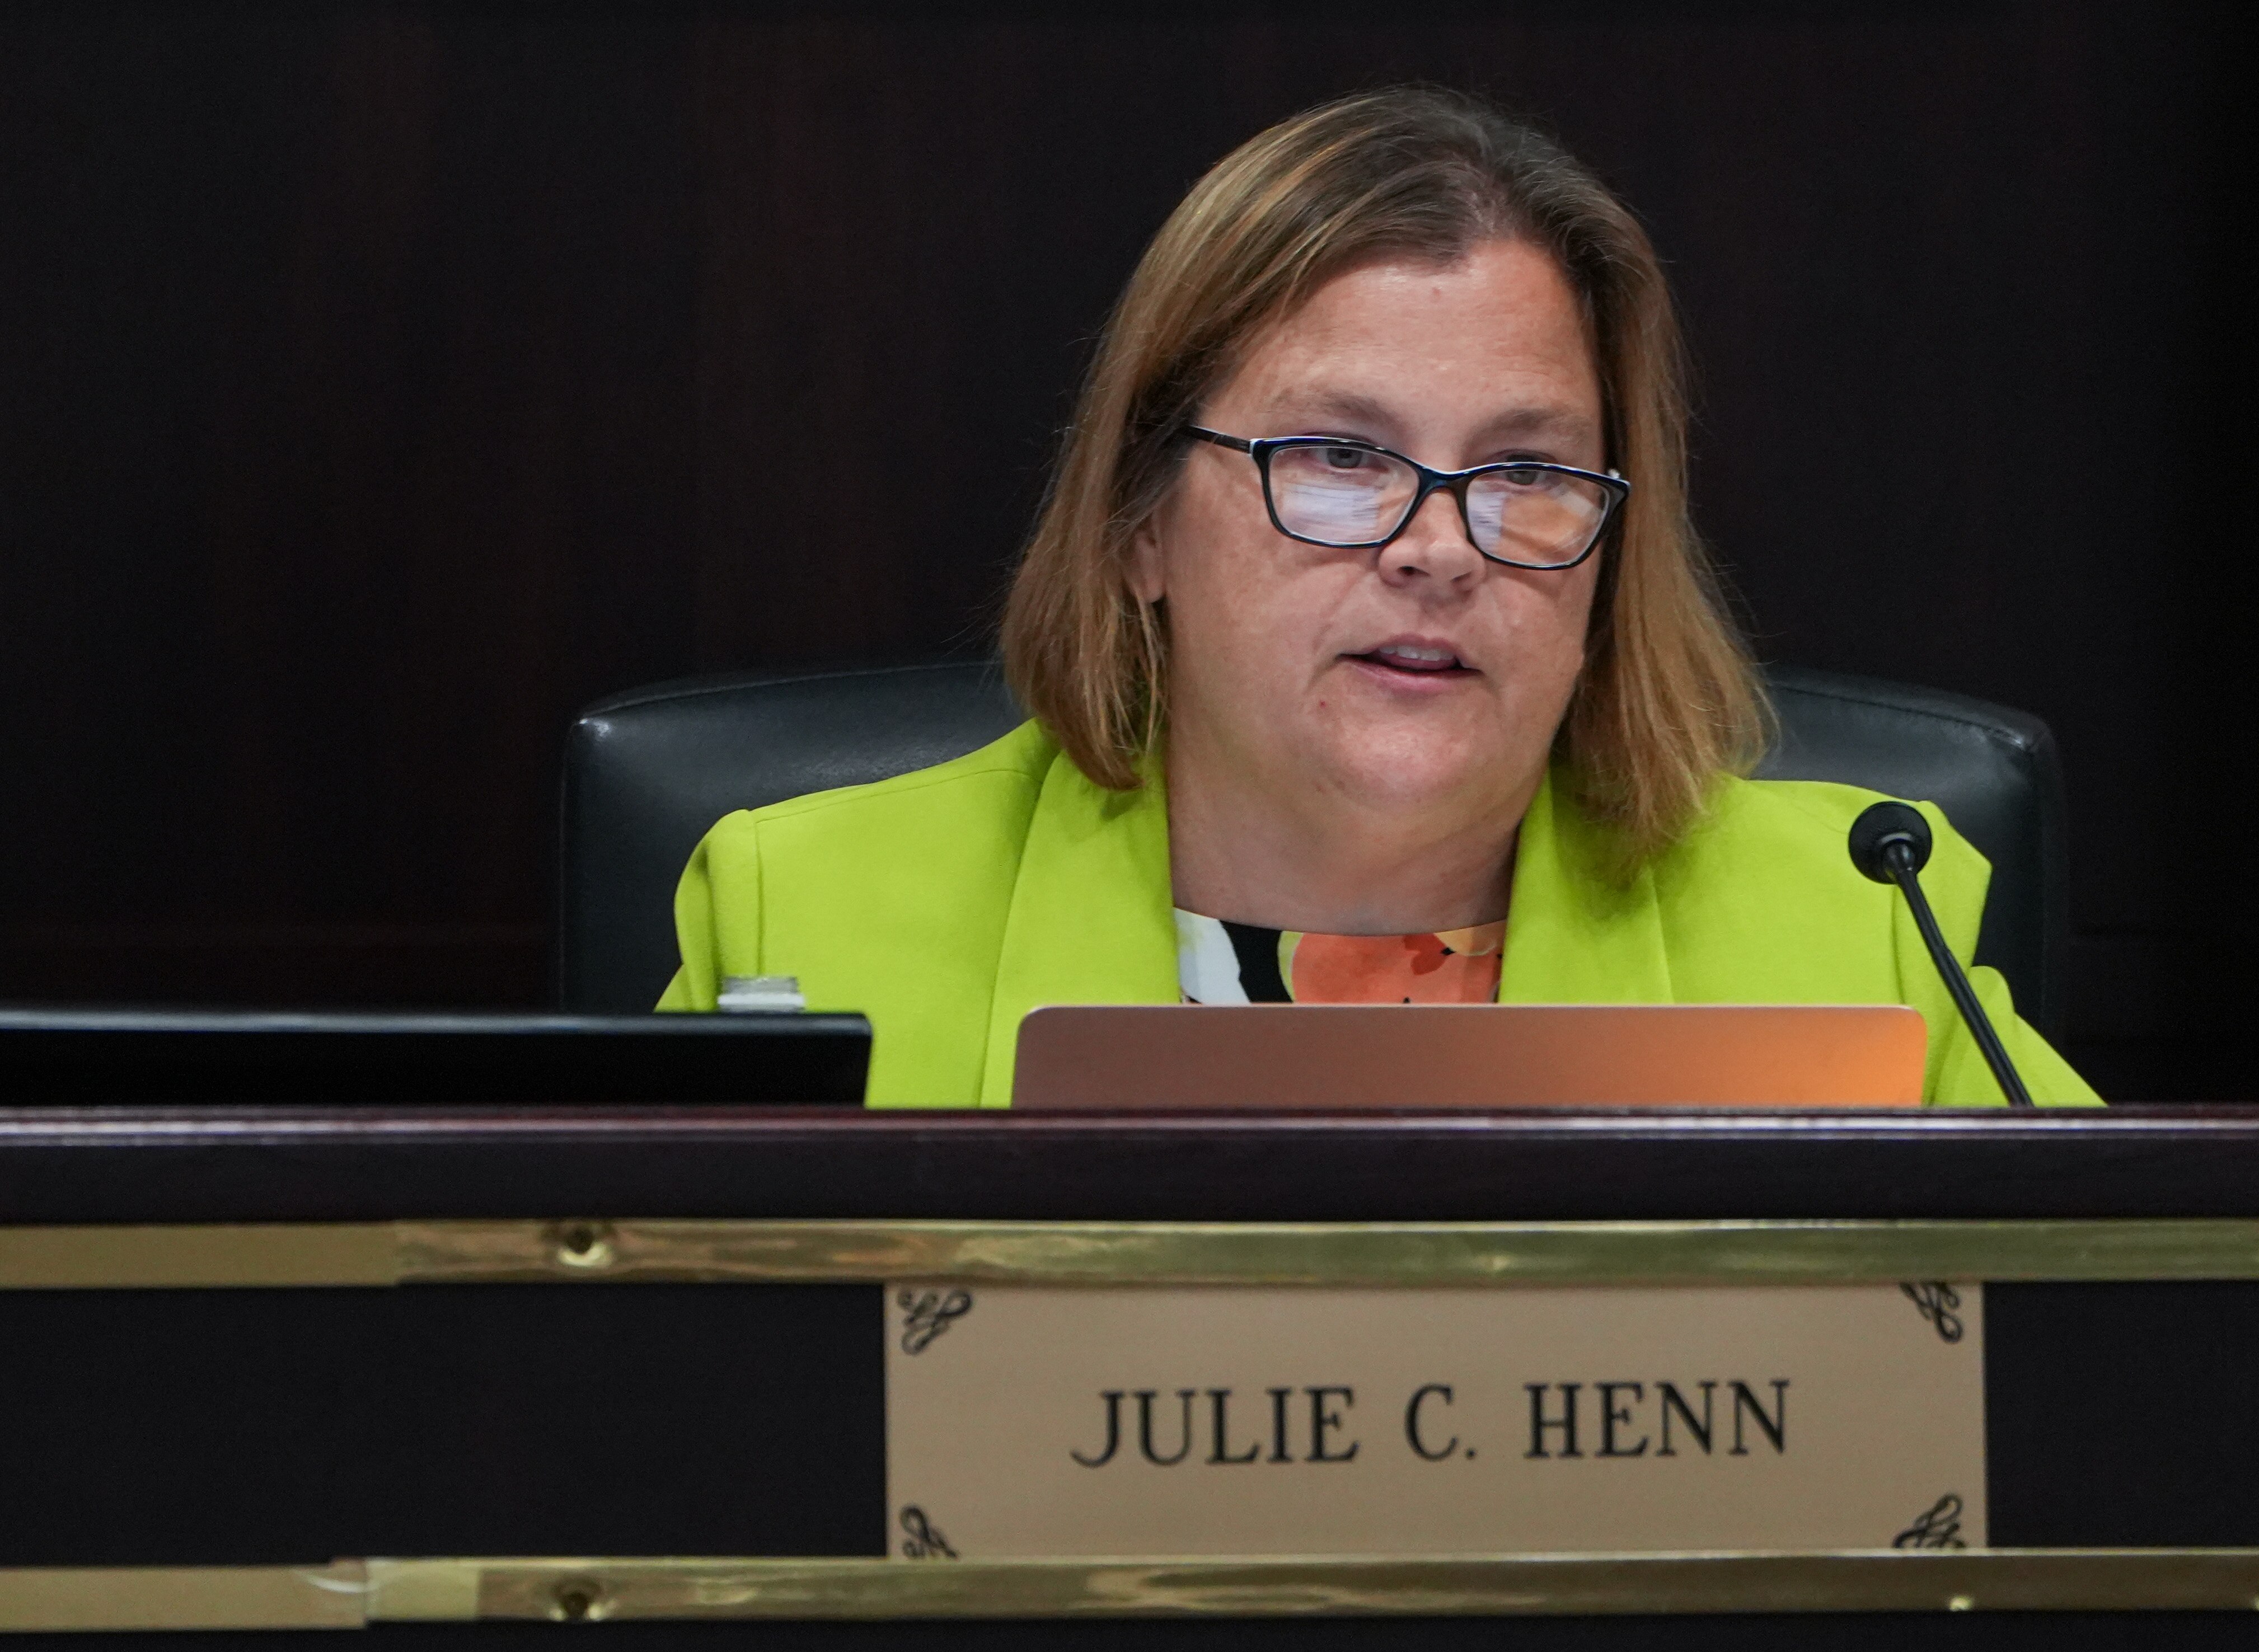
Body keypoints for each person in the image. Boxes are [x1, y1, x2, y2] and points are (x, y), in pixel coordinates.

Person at [659, 86, 2099, 1109]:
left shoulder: (1862, 934)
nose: (1439, 546)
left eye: (1525, 467)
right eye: (1339, 456)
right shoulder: (804, 921)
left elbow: (2113, 1378)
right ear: (1139, 526)